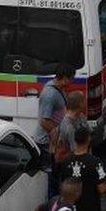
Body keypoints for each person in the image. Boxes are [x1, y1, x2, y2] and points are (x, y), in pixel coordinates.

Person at [36, 65, 74, 198]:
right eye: (70, 79)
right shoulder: (50, 94)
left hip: (54, 142)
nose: (71, 82)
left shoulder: (57, 88)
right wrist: (56, 137)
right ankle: (54, 202)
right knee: (53, 178)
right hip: (47, 143)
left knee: (57, 175)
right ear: (63, 78)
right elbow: (44, 121)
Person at [61, 125, 106, 211]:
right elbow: (102, 188)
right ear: (88, 139)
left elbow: (62, 184)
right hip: (91, 207)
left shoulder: (65, 161)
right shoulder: (95, 162)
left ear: (75, 140)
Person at [53, 92, 89, 169]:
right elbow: (76, 151)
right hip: (70, 164)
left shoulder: (81, 116)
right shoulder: (68, 126)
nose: (86, 102)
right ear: (80, 104)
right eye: (84, 101)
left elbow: (89, 132)